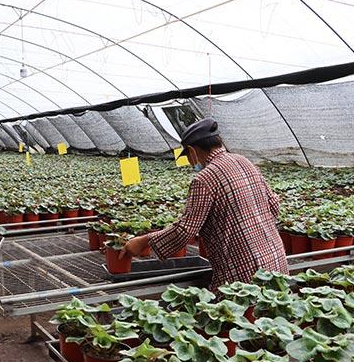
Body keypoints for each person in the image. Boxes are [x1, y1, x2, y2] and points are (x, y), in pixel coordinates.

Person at [121, 118, 288, 291]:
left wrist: (144, 241)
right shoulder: (244, 161)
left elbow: (185, 230)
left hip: (243, 271)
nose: (190, 162)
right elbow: (274, 204)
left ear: (192, 151)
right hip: (276, 260)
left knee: (236, 314)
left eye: (187, 156)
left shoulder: (204, 179)